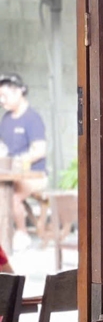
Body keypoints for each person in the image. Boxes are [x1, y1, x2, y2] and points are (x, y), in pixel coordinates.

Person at [0, 74, 47, 249]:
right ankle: (6, 234)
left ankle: (22, 233)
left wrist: (18, 161)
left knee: (11, 196)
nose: (1, 101)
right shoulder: (6, 119)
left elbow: (39, 150)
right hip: (10, 175)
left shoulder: (32, 118)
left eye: (4, 96)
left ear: (19, 92)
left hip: (35, 175)